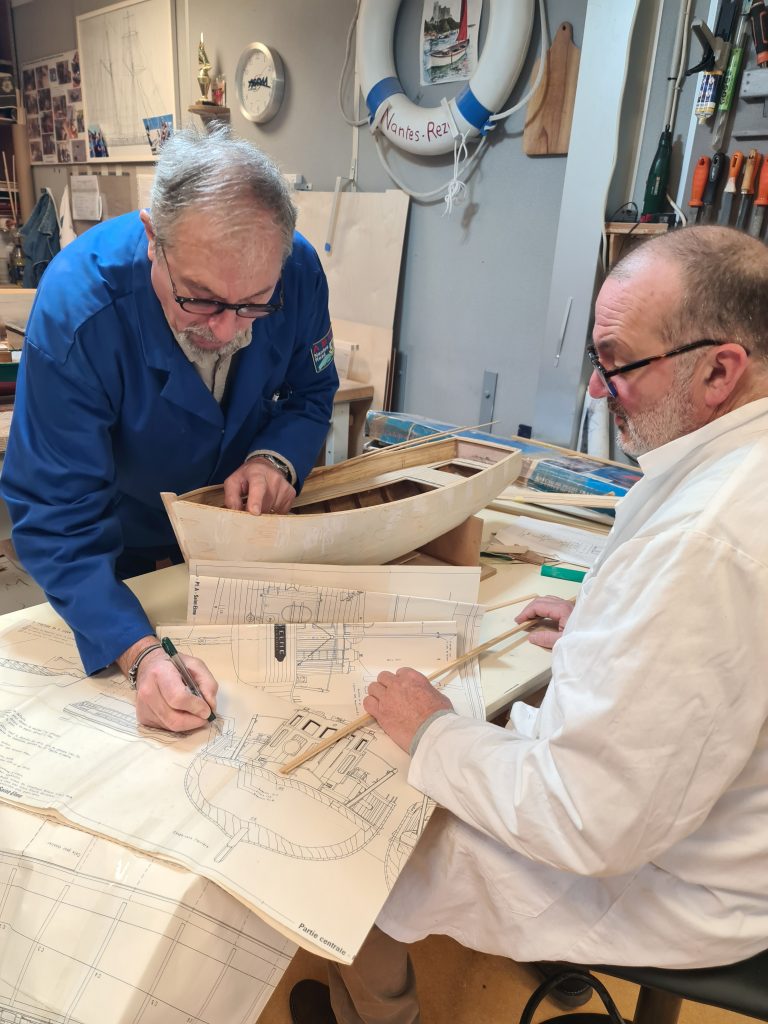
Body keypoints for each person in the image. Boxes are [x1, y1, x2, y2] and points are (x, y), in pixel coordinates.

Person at [288, 224, 768, 1024]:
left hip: (685, 883)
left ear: (719, 370)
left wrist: (433, 731)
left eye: (617, 363)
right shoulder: (738, 470)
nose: (597, 391)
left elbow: (588, 821)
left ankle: (382, 1017)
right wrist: (606, 627)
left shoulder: (707, 541)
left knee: (359, 824)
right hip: (707, 825)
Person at [2, 123, 338, 733]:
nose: (227, 330)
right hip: (118, 546)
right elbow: (54, 514)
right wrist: (139, 654)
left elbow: (311, 393)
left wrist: (275, 458)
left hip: (235, 538)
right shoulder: (77, 310)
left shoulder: (299, 271)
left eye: (254, 304)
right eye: (200, 299)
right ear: (153, 237)